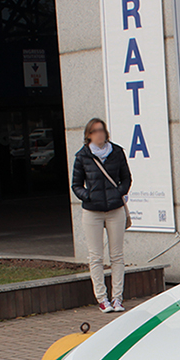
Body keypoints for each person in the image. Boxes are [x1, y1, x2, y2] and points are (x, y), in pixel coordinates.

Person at [71, 118, 132, 314]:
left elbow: (126, 178)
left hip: (115, 209)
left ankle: (117, 298)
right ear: (89, 135)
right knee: (96, 256)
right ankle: (102, 298)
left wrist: (118, 193)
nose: (100, 134)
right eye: (95, 131)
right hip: (92, 212)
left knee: (117, 255)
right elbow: (76, 185)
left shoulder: (116, 152)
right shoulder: (82, 156)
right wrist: (89, 196)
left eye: (102, 130)